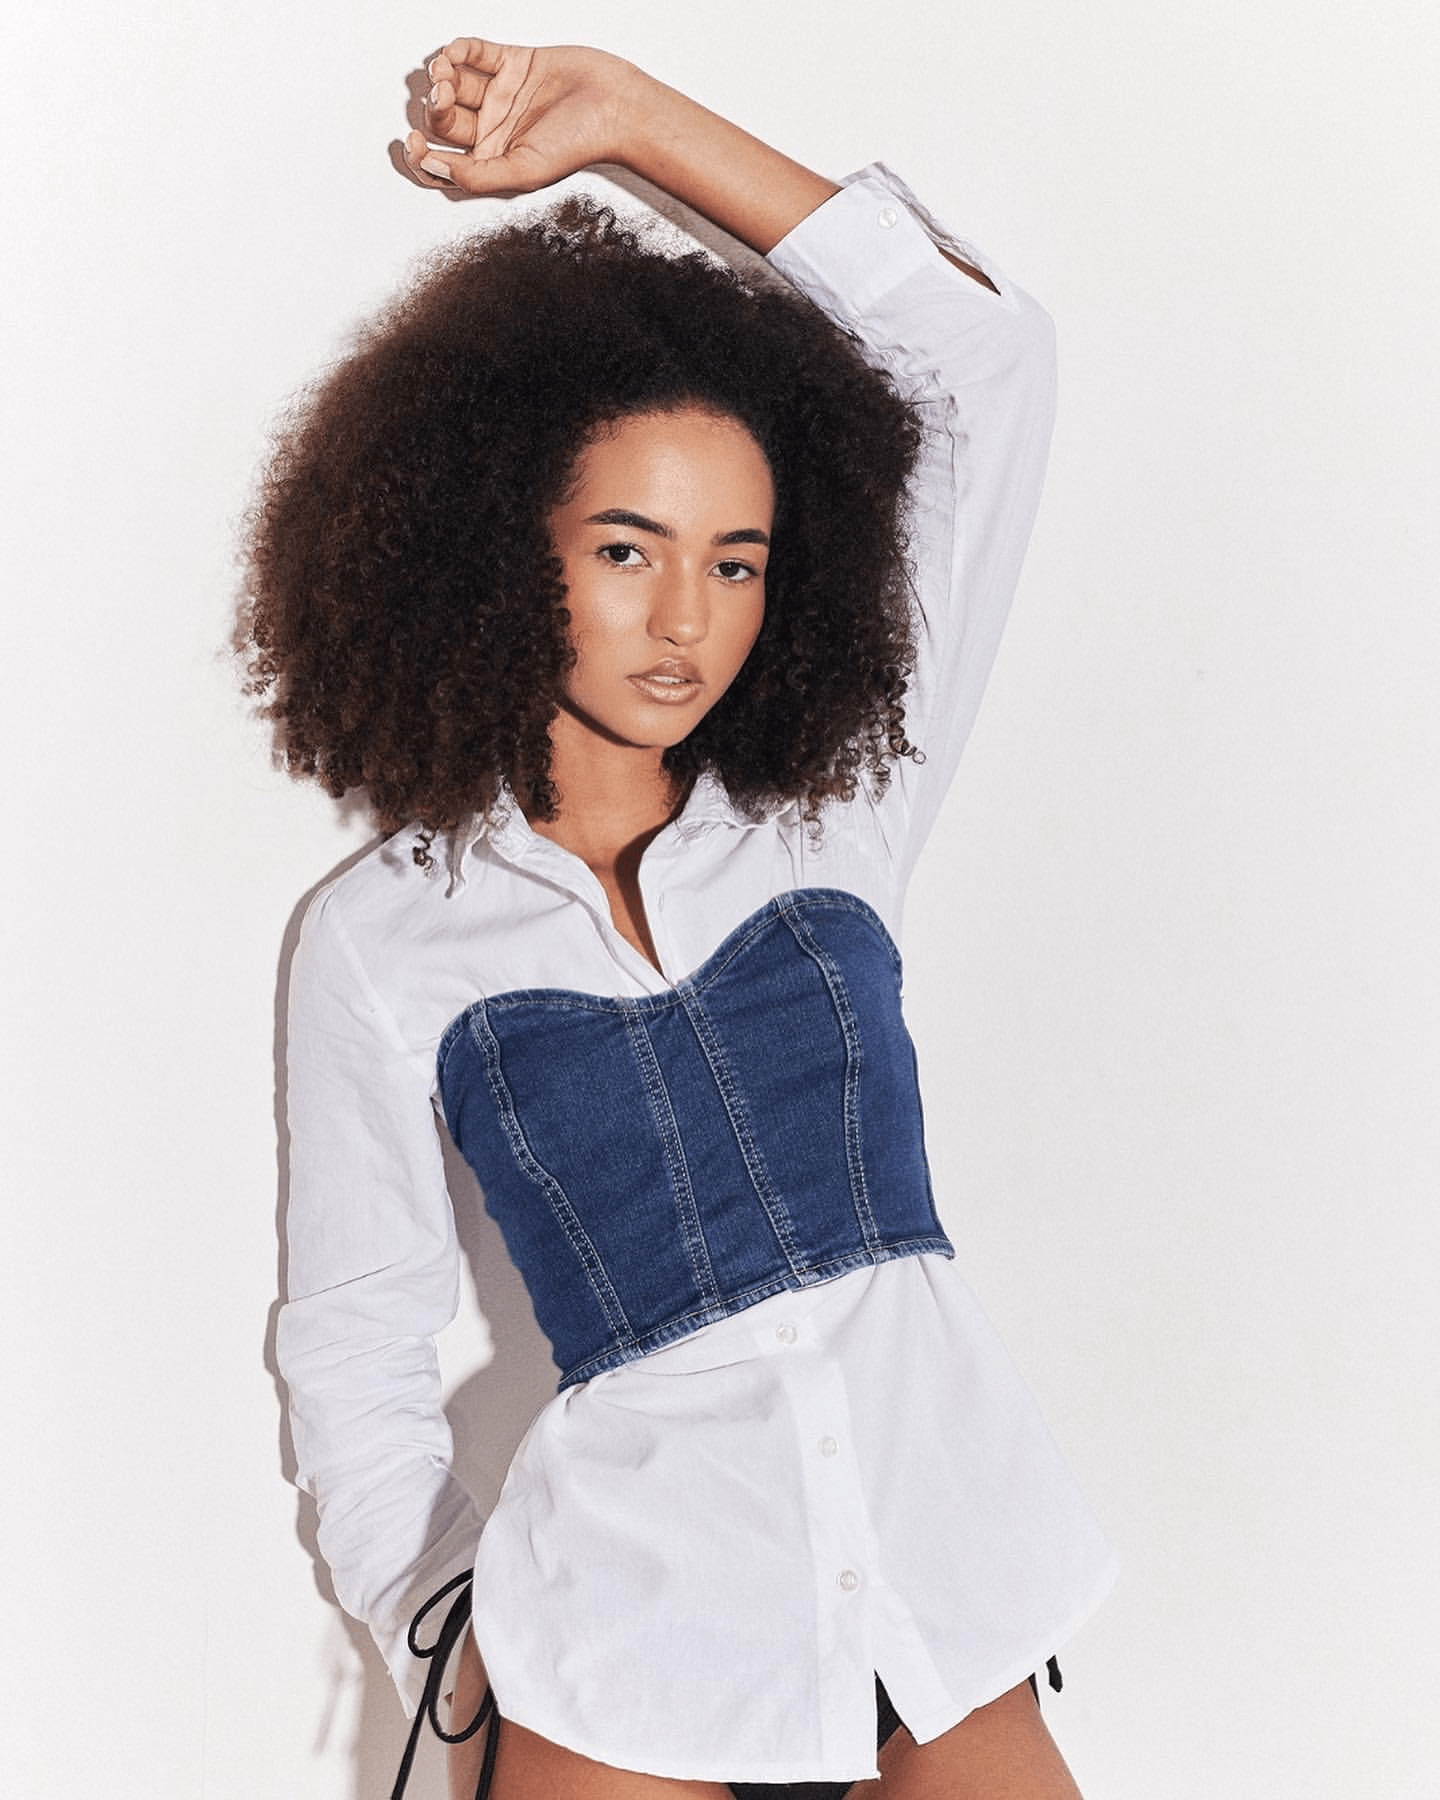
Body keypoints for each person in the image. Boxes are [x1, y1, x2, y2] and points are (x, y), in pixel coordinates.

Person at [245, 35, 1116, 1800]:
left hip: (946, 1591)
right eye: (627, 550)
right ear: (507, 551)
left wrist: (631, 124)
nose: (687, 622)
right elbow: (353, 1335)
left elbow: (987, 360)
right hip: (625, 1647)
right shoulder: (384, 937)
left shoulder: (835, 818)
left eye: (738, 562)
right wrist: (442, 1624)